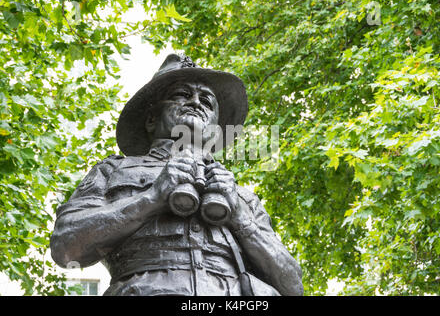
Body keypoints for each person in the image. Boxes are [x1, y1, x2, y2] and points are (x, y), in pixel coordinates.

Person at [50, 54, 303, 296]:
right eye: (182, 95)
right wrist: (152, 198)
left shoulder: (241, 196)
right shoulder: (112, 171)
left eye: (206, 101)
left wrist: (240, 219)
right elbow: (65, 247)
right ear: (151, 119)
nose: (196, 103)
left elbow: (293, 286)